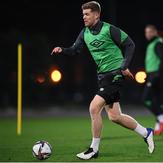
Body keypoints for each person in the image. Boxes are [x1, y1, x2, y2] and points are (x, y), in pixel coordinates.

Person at [51, 1, 155, 160]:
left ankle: (93, 149)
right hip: (103, 77)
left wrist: (124, 66)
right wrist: (62, 50)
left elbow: (130, 44)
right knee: (115, 117)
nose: (84, 17)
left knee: (94, 108)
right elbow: (74, 50)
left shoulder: (109, 29)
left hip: (115, 75)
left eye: (87, 14)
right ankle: (146, 133)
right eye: (83, 14)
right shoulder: (84, 32)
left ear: (96, 15)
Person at [143, 24, 163, 135]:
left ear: (155, 32)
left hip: (156, 75)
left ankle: (162, 120)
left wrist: (157, 74)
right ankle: (159, 125)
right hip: (154, 74)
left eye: (149, 32)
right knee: (156, 100)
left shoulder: (158, 43)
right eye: (146, 32)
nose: (147, 34)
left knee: (146, 99)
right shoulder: (153, 43)